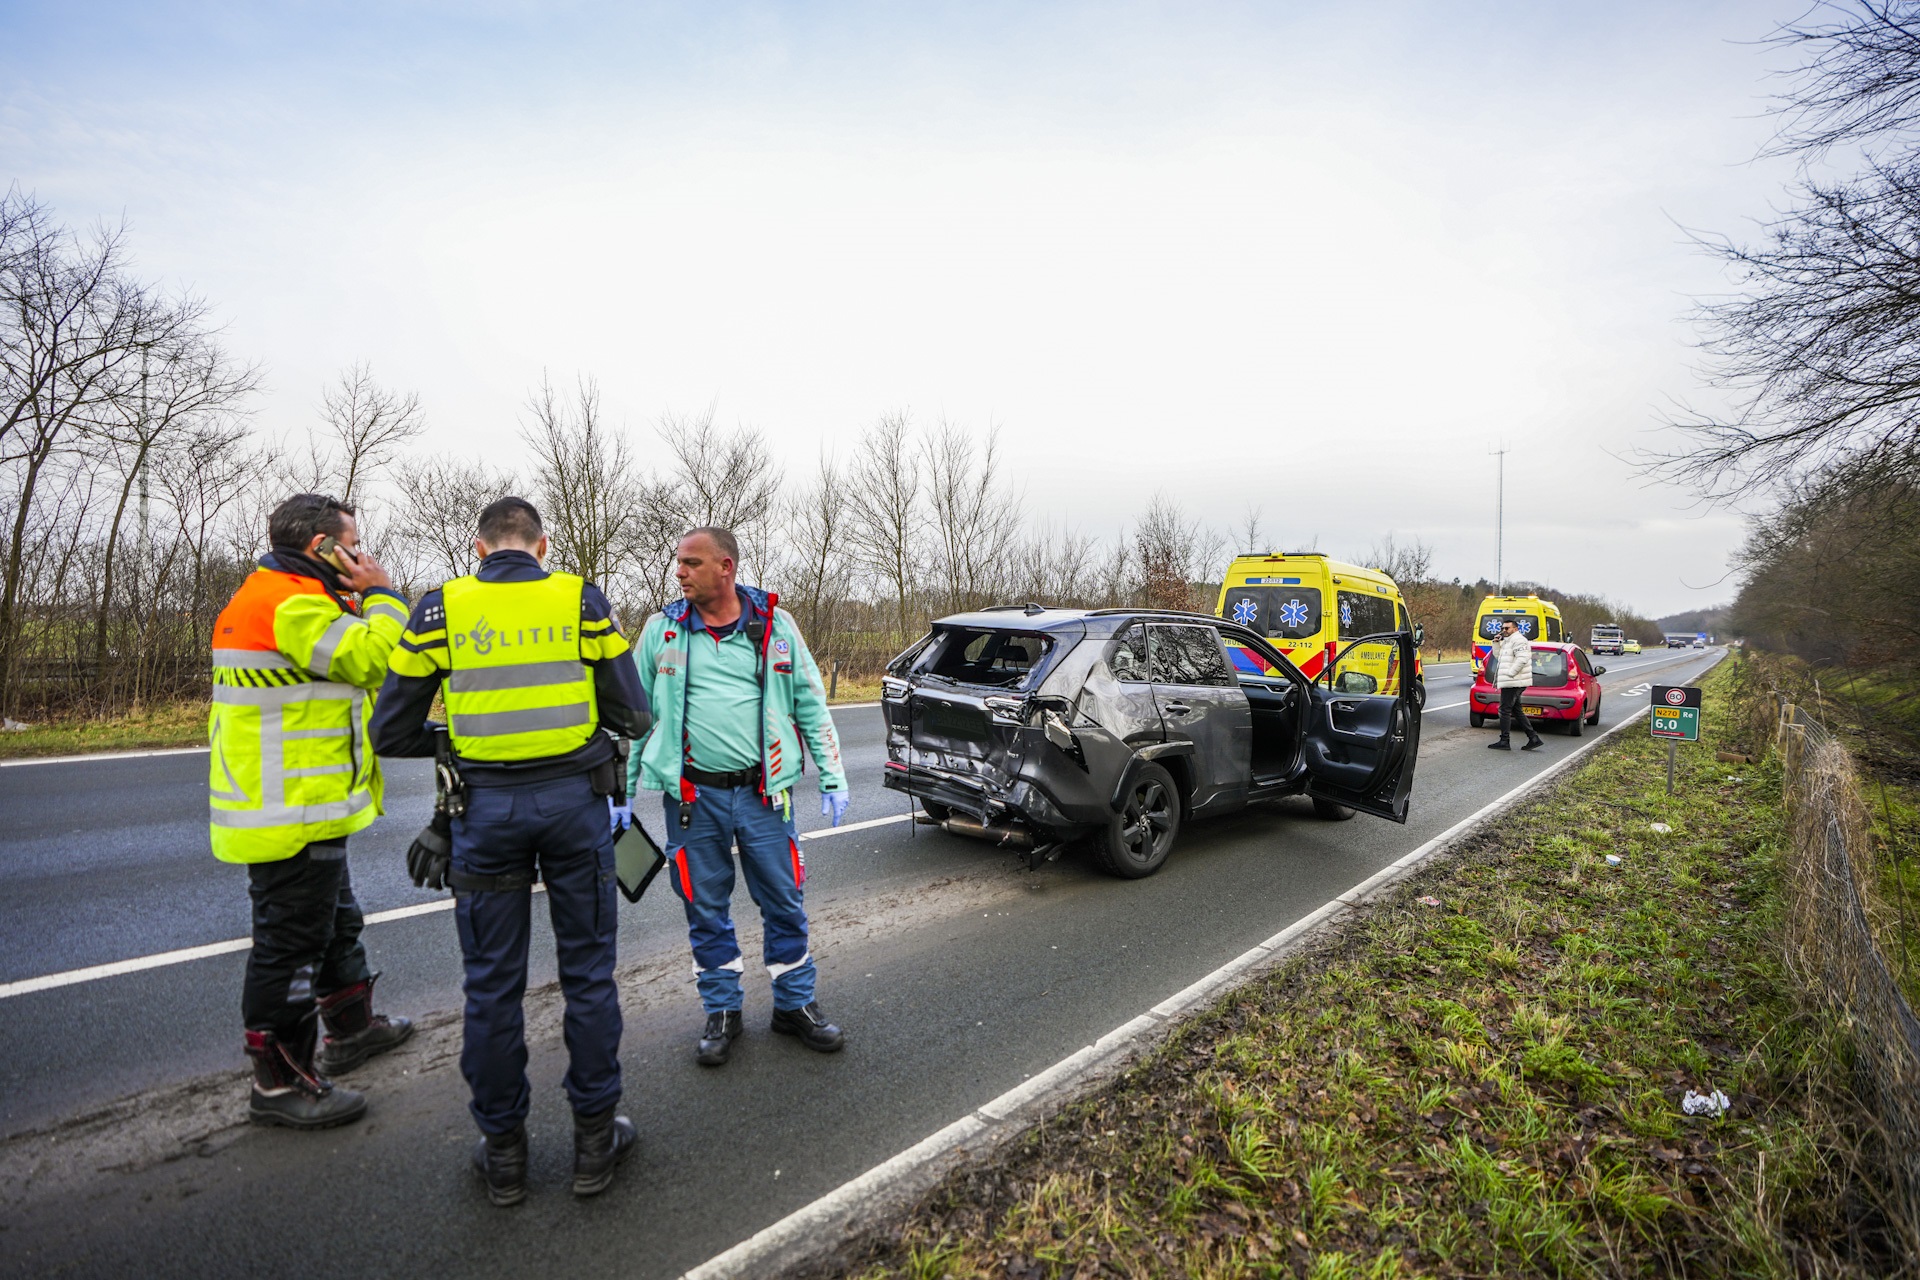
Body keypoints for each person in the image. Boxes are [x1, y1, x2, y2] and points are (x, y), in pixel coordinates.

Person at [370, 496, 651, 1207]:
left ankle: (505, 1158)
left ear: (478, 547)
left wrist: (458, 742)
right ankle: (593, 1146)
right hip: (573, 808)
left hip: (485, 813)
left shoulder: (439, 609)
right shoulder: (582, 601)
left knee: (491, 987)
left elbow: (389, 729)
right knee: (588, 976)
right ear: (543, 545)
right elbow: (635, 714)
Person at [209, 493, 415, 1129]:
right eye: (352, 542)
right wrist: (382, 594)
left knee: (333, 918)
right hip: (288, 807)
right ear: (322, 546)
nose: (361, 553)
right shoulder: (290, 602)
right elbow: (377, 660)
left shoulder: (291, 596)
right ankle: (279, 1082)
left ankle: (351, 1027)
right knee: (290, 944)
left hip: (304, 801)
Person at [629, 526, 849, 1068]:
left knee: (783, 899)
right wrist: (620, 790)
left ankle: (794, 1004)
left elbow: (809, 702)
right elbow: (634, 717)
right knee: (704, 908)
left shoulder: (775, 625)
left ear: (725, 567)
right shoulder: (662, 631)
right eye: (678, 562)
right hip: (691, 798)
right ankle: (722, 1011)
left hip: (764, 794)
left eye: (691, 563)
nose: (679, 571)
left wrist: (832, 774)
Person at [1487, 617, 1543, 752]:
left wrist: (1510, 674)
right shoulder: (1508, 641)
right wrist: (1496, 643)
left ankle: (1504, 741)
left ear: (1515, 629)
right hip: (1512, 681)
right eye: (1502, 628)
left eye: (1507, 628)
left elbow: (1523, 659)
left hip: (1513, 682)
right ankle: (1533, 738)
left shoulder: (1519, 640)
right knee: (1516, 710)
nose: (1504, 630)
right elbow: (1499, 657)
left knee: (1504, 710)